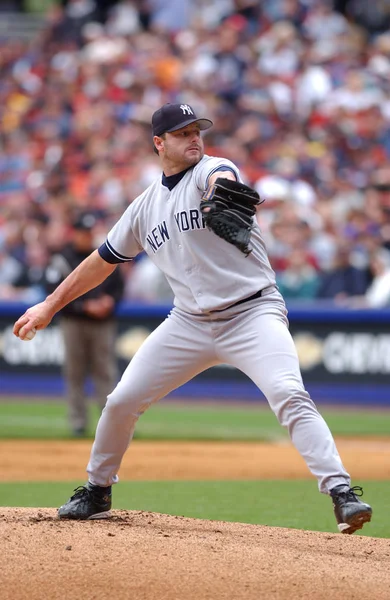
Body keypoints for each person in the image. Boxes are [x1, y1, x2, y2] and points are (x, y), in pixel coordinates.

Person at [13, 102, 372, 534]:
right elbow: (102, 260)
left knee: (288, 392)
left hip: (253, 311)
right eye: (182, 133)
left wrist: (221, 191)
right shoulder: (143, 208)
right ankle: (97, 489)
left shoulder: (213, 169)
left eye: (196, 130)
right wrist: (49, 305)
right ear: (159, 143)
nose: (194, 138)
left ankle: (342, 493)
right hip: (189, 323)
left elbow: (225, 179)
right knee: (121, 401)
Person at [44, 211, 125, 437]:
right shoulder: (62, 258)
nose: (86, 236)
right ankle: (78, 422)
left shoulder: (103, 254)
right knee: (75, 372)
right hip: (74, 322)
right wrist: (83, 307)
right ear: (75, 233)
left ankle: (110, 424)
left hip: (103, 322)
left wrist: (110, 302)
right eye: (82, 232)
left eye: (89, 232)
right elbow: (51, 292)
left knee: (105, 372)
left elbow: (118, 287)